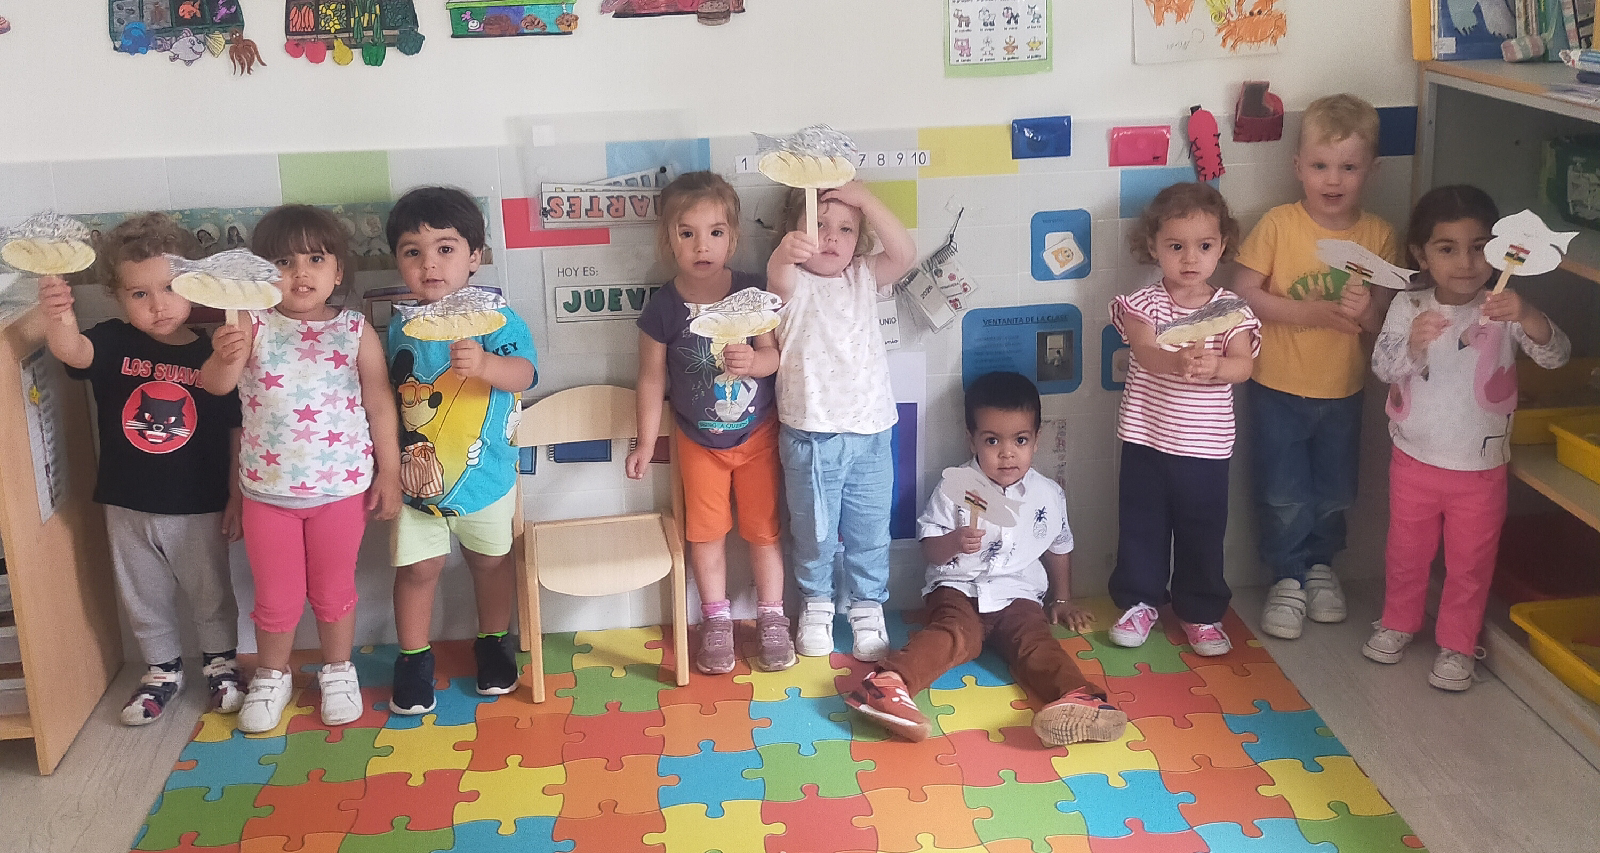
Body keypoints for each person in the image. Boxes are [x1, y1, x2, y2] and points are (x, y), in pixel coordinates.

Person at [201, 204, 402, 732]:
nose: (300, 273)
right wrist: (223, 357)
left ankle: (338, 670)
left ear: (338, 271)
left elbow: (380, 403)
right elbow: (216, 387)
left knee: (334, 592)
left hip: (342, 492)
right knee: (275, 598)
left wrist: (390, 472)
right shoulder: (249, 324)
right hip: (267, 496)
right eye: (283, 262)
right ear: (261, 275)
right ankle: (273, 675)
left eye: (315, 259)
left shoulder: (354, 329)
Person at [846, 372, 1126, 747]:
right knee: (957, 635)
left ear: (1037, 440)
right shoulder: (955, 486)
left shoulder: (1047, 494)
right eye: (992, 440)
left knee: (1036, 642)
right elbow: (929, 549)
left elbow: (1059, 545)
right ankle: (886, 684)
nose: (1006, 453)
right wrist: (953, 541)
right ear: (972, 439)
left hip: (1018, 594)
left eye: (1020, 440)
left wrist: (1062, 599)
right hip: (958, 588)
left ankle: (1079, 698)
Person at [40, 213, 244, 726]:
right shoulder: (112, 341)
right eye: (139, 294)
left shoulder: (210, 352)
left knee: (211, 593)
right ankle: (162, 671)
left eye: (171, 288)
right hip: (126, 501)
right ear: (116, 296)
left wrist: (236, 496)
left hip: (199, 503)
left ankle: (221, 665)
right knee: (143, 596)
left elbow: (234, 427)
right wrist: (58, 315)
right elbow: (72, 352)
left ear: (193, 285)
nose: (158, 305)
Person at [1368, 186, 1568, 691]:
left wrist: (1527, 315)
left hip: (1481, 468)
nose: (1466, 262)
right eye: (1447, 248)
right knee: (1406, 553)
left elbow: (1556, 356)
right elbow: (1383, 368)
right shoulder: (1408, 303)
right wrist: (1413, 343)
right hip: (1413, 460)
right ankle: (1397, 622)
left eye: (1479, 247)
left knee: (1470, 564)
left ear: (1500, 250)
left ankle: (1458, 643)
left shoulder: (1503, 306)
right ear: (1421, 255)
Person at [1233, 93, 1400, 641]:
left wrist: (1366, 309)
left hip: (1343, 391)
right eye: (1321, 165)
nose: (1333, 179)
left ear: (1372, 170)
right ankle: (1286, 576)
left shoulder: (1378, 236)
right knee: (1281, 491)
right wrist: (1308, 313)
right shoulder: (1279, 225)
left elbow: (1384, 325)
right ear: (1297, 167)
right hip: (1275, 388)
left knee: (1334, 490)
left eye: (1349, 167)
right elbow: (1243, 293)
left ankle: (1321, 567)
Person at [624, 172, 793, 674]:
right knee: (706, 534)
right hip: (698, 444)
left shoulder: (751, 293)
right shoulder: (663, 308)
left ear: (733, 238)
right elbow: (650, 379)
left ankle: (772, 616)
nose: (703, 245)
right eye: (687, 233)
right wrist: (644, 442)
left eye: (715, 232)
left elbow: (774, 357)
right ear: (668, 240)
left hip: (758, 437)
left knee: (764, 531)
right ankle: (716, 619)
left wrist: (754, 363)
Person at [384, 186, 537, 714]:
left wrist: (487, 365)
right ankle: (413, 658)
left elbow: (526, 373)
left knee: (490, 563)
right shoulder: (399, 325)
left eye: (445, 249)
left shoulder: (497, 317)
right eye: (413, 251)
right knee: (417, 571)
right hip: (414, 486)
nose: (429, 263)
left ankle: (493, 643)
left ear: (475, 256)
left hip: (485, 477)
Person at [1106, 183, 1260, 656]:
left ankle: (1201, 612)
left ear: (1222, 246)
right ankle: (1139, 602)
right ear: (1153, 247)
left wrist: (1217, 367)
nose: (1190, 258)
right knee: (1141, 527)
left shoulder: (1232, 309)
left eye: (1204, 246)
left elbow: (1244, 366)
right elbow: (1145, 352)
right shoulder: (1143, 304)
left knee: (1202, 533)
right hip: (1146, 441)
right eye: (1176, 246)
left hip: (1206, 450)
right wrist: (1177, 362)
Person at [767, 181, 916, 661]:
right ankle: (816, 605)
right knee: (814, 533)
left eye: (846, 229)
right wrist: (785, 252)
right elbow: (778, 274)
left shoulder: (864, 275)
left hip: (872, 433)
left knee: (870, 532)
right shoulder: (789, 282)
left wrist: (864, 198)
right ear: (793, 233)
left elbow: (905, 254)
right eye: (817, 226)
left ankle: (868, 607)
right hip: (812, 436)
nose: (831, 237)